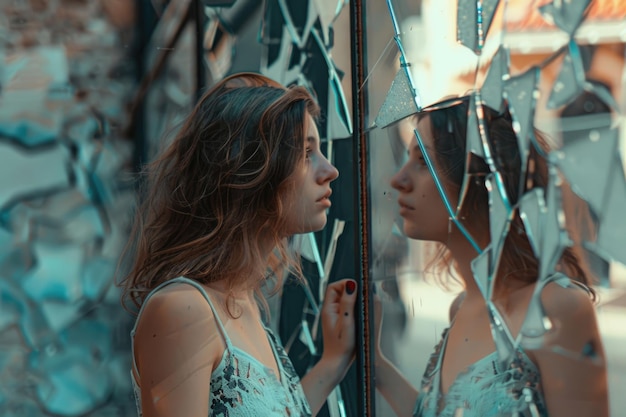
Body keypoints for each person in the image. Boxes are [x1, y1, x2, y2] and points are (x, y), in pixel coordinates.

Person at [120, 72, 357, 417]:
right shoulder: (184, 310)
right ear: (251, 169)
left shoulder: (244, 304)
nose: (330, 170)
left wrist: (332, 364)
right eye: (306, 154)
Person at [375, 95, 609, 417]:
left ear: (478, 181)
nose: (398, 180)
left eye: (423, 162)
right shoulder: (461, 307)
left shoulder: (556, 308)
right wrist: (375, 366)